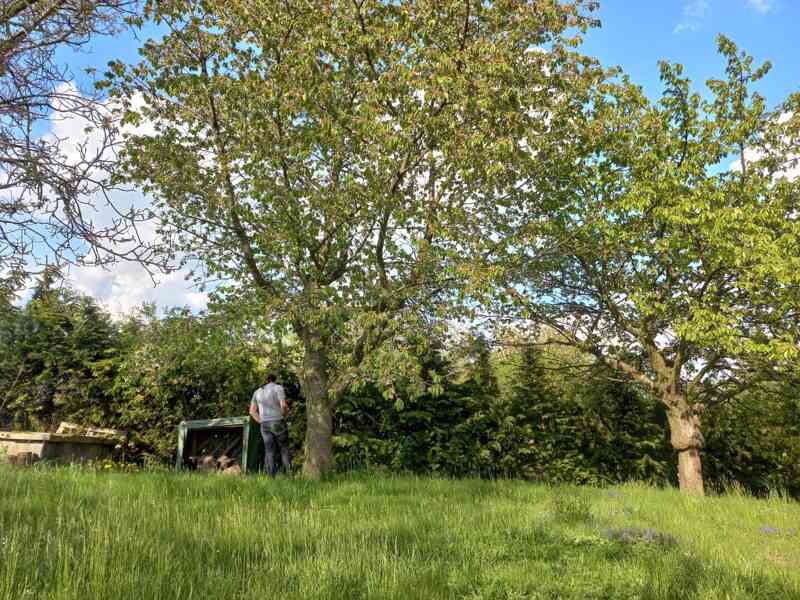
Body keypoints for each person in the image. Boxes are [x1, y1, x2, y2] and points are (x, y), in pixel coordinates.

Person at [249, 374, 291, 477]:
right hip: (277, 422)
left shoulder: (257, 392)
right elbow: (284, 405)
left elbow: (252, 411)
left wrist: (261, 421)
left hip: (264, 424)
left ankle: (271, 477)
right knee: (284, 449)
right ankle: (289, 475)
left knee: (269, 451)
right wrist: (284, 415)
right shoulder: (278, 388)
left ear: (266, 380)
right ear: (274, 380)